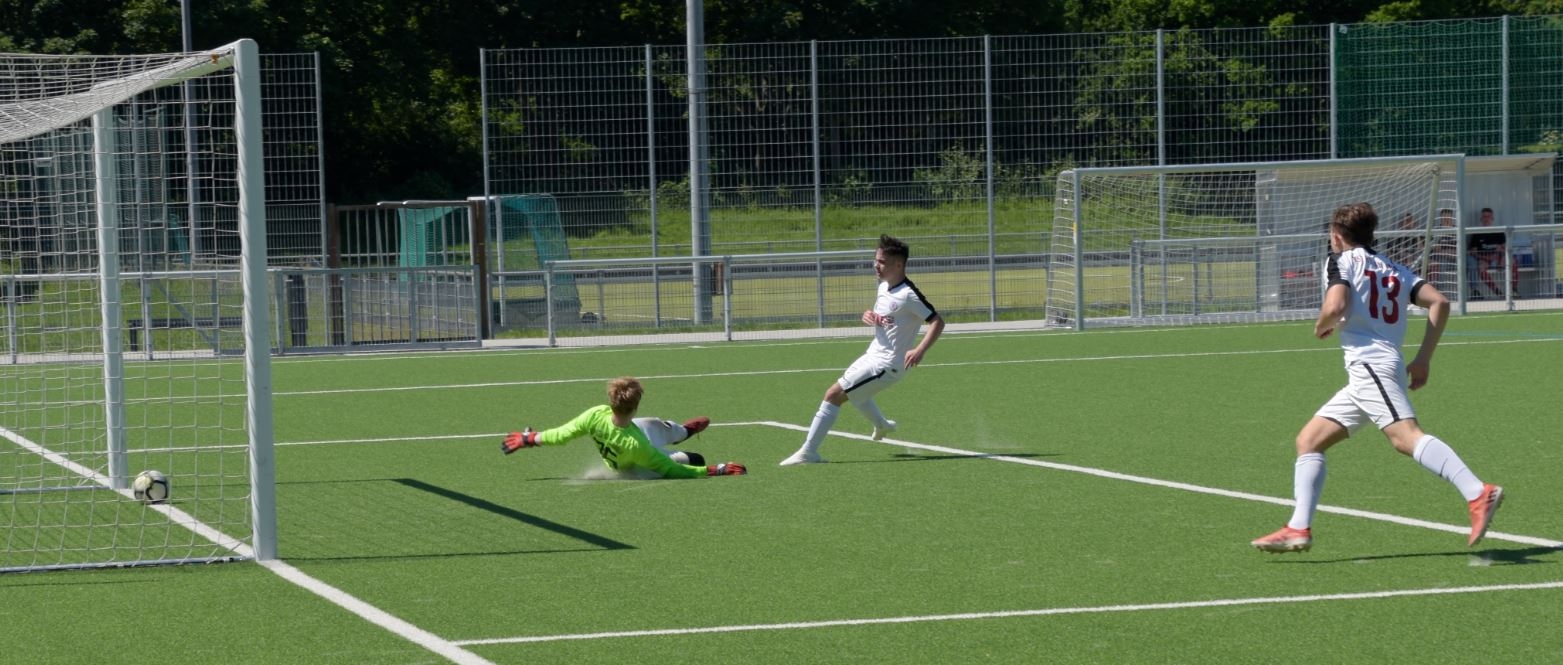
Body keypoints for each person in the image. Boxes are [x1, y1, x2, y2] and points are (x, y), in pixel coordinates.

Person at [1251, 202, 1503, 554]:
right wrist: (1423, 359)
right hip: (1373, 371)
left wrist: (1322, 324)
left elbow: (1335, 306)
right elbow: (1440, 302)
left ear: (1336, 235)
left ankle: (1477, 492)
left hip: (1371, 366)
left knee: (1405, 438)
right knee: (1309, 440)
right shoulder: (1394, 268)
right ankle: (1298, 527)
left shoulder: (1339, 261)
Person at [780, 234, 945, 465]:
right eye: (876, 260)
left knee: (833, 395)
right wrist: (872, 316)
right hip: (873, 354)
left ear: (899, 265)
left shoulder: (908, 294)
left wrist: (920, 350)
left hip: (888, 364)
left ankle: (809, 452)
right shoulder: (884, 287)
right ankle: (882, 425)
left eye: (882, 262)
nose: (876, 265)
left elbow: (937, 321)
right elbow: (889, 318)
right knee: (858, 395)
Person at [501, 377, 746, 479]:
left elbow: (561, 435)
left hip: (633, 431)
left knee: (650, 425)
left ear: (611, 401)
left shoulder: (595, 414)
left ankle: (683, 431)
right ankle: (682, 433)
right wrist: (715, 470)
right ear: (635, 405)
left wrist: (530, 438)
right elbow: (673, 470)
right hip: (638, 463)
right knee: (695, 459)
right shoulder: (637, 447)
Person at [1465, 207, 1511, 299]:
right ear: (1481, 219)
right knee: (1480, 267)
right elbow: (1473, 251)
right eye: (1484, 217)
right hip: (1484, 259)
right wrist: (1484, 257)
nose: (1486, 219)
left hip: (1497, 258)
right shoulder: (1477, 233)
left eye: (1488, 217)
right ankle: (1496, 291)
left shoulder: (1498, 231)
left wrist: (1500, 255)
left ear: (1492, 218)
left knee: (1513, 262)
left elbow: (1506, 248)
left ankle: (1513, 290)